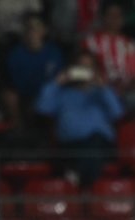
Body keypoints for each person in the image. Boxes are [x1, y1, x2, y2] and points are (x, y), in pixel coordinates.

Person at [35, 51, 124, 187]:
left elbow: (117, 113)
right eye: (80, 67)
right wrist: (57, 82)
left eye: (88, 67)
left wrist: (103, 87)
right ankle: (80, 182)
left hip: (98, 144)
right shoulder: (62, 93)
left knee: (95, 143)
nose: (84, 71)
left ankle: (78, 178)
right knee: (81, 155)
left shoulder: (101, 93)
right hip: (70, 146)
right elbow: (42, 108)